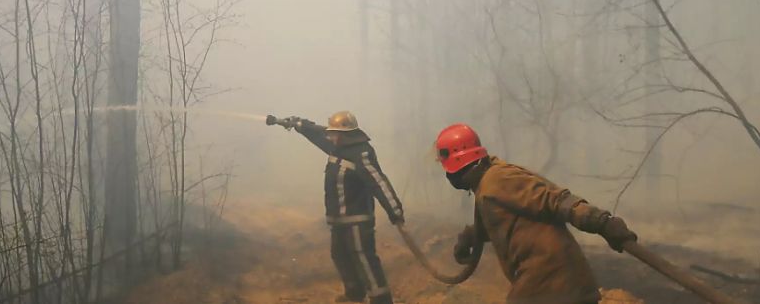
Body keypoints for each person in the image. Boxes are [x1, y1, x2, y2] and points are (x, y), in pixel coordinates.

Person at [435, 123, 637, 304]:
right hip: (554, 284)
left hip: (552, 284)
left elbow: (555, 200)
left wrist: (602, 223)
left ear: (457, 160)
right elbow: (505, 221)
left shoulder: (497, 180)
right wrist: (472, 236)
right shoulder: (489, 182)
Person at [273, 111, 404, 304]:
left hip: (357, 220)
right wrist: (298, 125)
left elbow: (379, 182)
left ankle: (381, 300)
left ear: (345, 134)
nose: (330, 136)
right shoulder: (336, 147)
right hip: (338, 220)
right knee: (340, 255)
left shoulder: (361, 152)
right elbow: (318, 134)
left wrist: (395, 211)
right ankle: (354, 293)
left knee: (364, 259)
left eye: (334, 133)